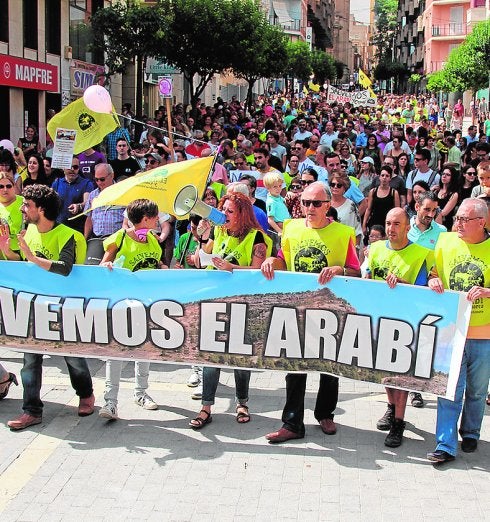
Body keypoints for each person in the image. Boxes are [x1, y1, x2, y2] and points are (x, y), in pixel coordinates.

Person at [261, 182, 361, 442]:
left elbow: (356, 271)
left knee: (329, 365)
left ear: (328, 205)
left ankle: (325, 413)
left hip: (330, 309)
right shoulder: (291, 229)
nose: (309, 208)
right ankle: (292, 423)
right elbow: (284, 258)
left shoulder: (342, 233)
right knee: (294, 367)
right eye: (305, 202)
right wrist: (273, 260)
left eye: (316, 203)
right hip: (297, 308)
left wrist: (340, 270)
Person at [4, 185, 94, 430]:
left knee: (72, 358)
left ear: (40, 209)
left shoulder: (69, 236)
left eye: (27, 205)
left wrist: (32, 257)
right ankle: (31, 410)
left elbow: (64, 268)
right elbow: (23, 264)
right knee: (30, 360)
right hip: (33, 306)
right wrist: (6, 248)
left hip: (65, 307)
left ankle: (86, 394)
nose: (22, 208)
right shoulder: (29, 231)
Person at [189, 192, 272, 429]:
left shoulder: (257, 237)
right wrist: (202, 236)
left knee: (240, 357)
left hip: (244, 304)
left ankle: (242, 402)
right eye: (223, 209)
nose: (224, 214)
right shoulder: (219, 231)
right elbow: (199, 260)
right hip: (217, 302)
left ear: (243, 214)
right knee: (210, 355)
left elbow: (257, 272)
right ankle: (206, 407)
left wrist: (232, 267)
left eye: (229, 211)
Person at [426, 199, 489, 463]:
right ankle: (445, 444)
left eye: (465, 219)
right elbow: (431, 272)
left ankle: (471, 432)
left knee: (476, 391)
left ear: (482, 222)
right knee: (449, 388)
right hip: (453, 331)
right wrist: (434, 279)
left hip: (484, 335)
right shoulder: (445, 242)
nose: (458, 223)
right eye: (458, 219)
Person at [367, 208, 433, 447]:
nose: (391, 229)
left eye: (396, 224)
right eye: (387, 223)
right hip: (378, 318)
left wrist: (404, 284)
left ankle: (399, 422)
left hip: (406, 322)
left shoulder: (420, 253)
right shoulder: (375, 249)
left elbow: (425, 290)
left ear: (408, 227)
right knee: (385, 373)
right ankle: (390, 407)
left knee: (402, 376)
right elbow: (367, 277)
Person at [98, 199, 164, 420]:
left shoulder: (154, 241)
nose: (158, 221)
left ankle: (141, 393)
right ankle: (110, 401)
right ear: (145, 218)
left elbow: (158, 266)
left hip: (146, 304)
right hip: (121, 304)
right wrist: (107, 266)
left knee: (144, 350)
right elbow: (103, 264)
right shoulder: (121, 236)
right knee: (115, 352)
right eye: (155, 217)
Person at [83, 163, 125, 264]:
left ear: (112, 175)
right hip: (97, 238)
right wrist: (85, 238)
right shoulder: (93, 194)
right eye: (96, 180)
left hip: (116, 238)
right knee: (90, 267)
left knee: (112, 268)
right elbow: (89, 218)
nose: (99, 182)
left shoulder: (123, 192)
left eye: (102, 179)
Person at [51, 157, 94, 234]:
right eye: (69, 166)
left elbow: (87, 202)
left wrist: (79, 206)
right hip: (59, 227)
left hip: (78, 229)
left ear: (79, 168)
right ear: (63, 168)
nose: (72, 169)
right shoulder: (56, 183)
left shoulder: (86, 183)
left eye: (75, 167)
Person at [362, 166, 401, 237]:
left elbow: (397, 212)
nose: (384, 178)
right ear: (379, 177)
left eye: (387, 176)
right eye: (382, 175)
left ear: (390, 178)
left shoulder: (394, 193)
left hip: (387, 224)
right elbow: (368, 209)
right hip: (374, 223)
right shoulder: (373, 191)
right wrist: (364, 225)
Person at [0, 171, 23, 261]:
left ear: (14, 187)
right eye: (1, 186)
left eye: (8, 186)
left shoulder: (24, 203)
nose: (5, 189)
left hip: (19, 252)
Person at [263, 171, 290, 237]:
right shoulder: (271, 202)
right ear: (268, 188)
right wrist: (279, 231)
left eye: (280, 186)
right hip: (279, 230)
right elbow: (270, 220)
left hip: (287, 225)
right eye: (275, 187)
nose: (278, 189)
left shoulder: (279, 198)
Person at [436, 165, 459, 230]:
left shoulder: (454, 194)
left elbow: (444, 213)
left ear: (452, 177)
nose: (444, 176)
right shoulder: (436, 191)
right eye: (443, 174)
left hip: (445, 225)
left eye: (448, 175)